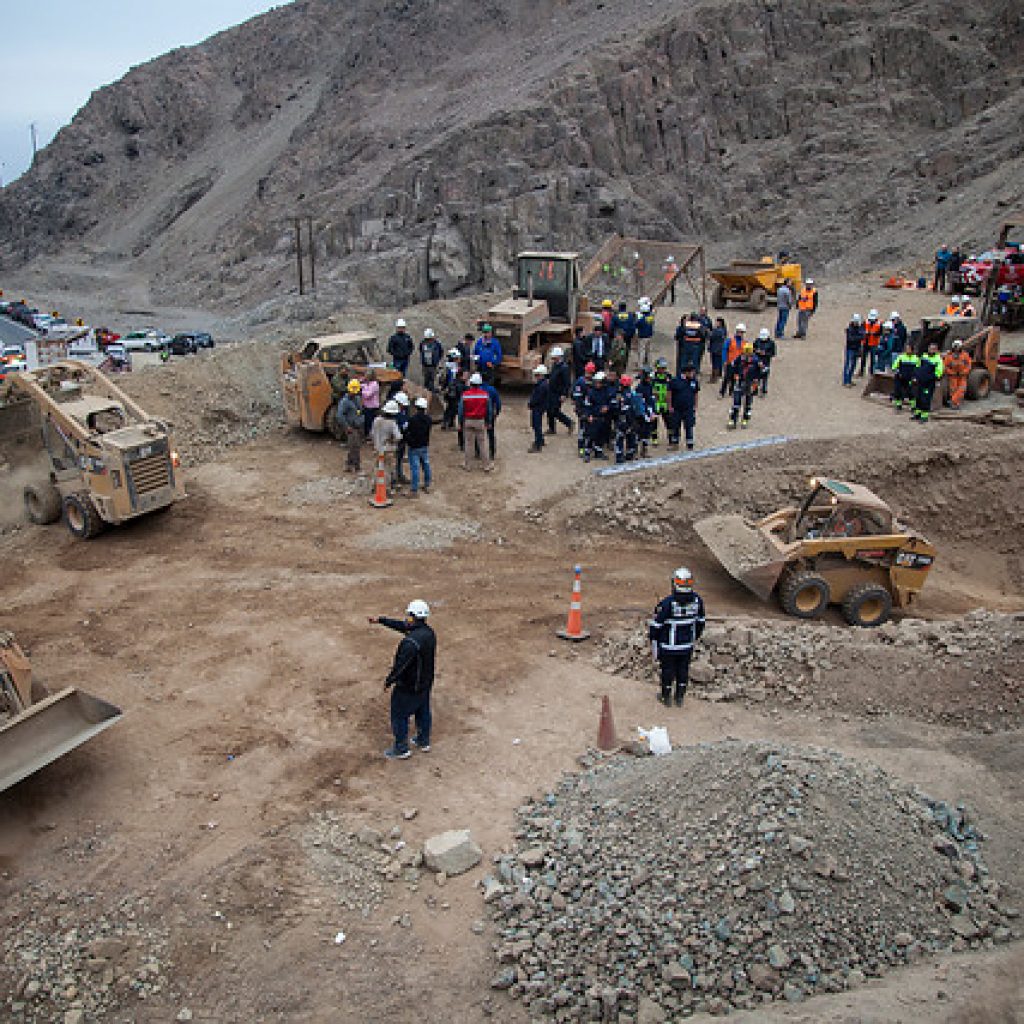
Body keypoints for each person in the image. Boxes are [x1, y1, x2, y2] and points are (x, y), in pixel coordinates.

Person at [370, 600, 436, 760]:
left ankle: (401, 748)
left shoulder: (410, 643)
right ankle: (423, 740)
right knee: (423, 711)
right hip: (425, 683)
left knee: (399, 715)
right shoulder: (429, 633)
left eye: (409, 615)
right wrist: (381, 620)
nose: (406, 618)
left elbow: (401, 665)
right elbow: (403, 626)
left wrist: (389, 681)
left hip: (408, 687)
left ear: (413, 617)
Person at [649, 566, 706, 707]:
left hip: (669, 645)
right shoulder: (697, 601)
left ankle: (666, 696)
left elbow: (656, 625)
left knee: (667, 670)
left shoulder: (668, 603)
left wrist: (654, 640)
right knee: (683, 670)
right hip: (687, 645)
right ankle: (679, 697)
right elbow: (700, 622)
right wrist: (694, 638)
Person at [459, 372, 493, 471]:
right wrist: (488, 422)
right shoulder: (485, 395)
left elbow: (461, 411)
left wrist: (460, 423)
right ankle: (486, 465)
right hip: (480, 421)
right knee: (482, 444)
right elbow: (489, 410)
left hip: (468, 420)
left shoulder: (465, 395)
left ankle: (467, 465)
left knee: (469, 444)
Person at [724, 341, 761, 428]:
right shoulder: (740, 358)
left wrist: (756, 381)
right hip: (740, 382)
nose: (747, 356)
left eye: (749, 354)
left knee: (748, 403)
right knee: (736, 403)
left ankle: (745, 419)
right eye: (746, 353)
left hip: (750, 383)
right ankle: (732, 420)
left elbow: (760, 372)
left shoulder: (756, 361)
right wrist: (734, 375)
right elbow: (733, 367)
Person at [583, 370, 614, 462]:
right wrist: (589, 416)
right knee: (591, 436)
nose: (597, 384)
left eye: (599, 382)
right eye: (596, 382)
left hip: (604, 418)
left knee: (601, 436)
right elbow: (587, 405)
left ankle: (598, 452)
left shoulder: (607, 391)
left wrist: (608, 407)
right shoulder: (591, 392)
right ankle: (587, 453)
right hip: (594, 417)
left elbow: (612, 402)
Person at [371, 399, 403, 486]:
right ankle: (386, 487)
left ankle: (375, 484)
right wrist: (392, 440)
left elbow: (372, 433)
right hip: (388, 449)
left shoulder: (376, 420)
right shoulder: (392, 423)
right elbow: (398, 437)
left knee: (378, 466)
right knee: (388, 468)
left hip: (377, 448)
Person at [405, 396, 433, 497]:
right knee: (426, 465)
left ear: (416, 407)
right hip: (424, 445)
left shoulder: (412, 420)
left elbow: (408, 431)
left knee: (415, 468)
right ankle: (427, 484)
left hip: (414, 446)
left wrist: (408, 439)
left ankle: (414, 490)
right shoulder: (428, 420)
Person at [668, 363, 700, 449]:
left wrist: (695, 405)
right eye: (691, 372)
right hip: (677, 408)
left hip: (689, 408)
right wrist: (670, 406)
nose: (693, 374)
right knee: (675, 425)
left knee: (689, 425)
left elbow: (696, 393)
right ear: (686, 373)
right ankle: (675, 443)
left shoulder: (694, 381)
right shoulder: (675, 381)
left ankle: (689, 443)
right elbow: (669, 394)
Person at [613, 374, 643, 463]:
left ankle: (623, 455)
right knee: (627, 437)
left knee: (624, 437)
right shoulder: (625, 394)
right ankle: (627, 454)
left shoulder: (624, 394)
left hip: (626, 419)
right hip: (626, 419)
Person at [912, 342, 944, 422]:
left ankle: (924, 416)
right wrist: (915, 376)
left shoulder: (938, 360)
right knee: (918, 398)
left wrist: (930, 378)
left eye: (933, 349)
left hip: (928, 383)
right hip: (920, 381)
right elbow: (918, 366)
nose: (931, 350)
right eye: (930, 348)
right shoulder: (924, 356)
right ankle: (917, 414)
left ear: (936, 350)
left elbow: (939, 372)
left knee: (925, 399)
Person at [337, 378, 364, 472]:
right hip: (351, 427)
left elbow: (360, 411)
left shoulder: (357, 399)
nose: (355, 393)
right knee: (354, 446)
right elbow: (340, 416)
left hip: (358, 426)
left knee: (356, 446)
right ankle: (354, 466)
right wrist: (347, 427)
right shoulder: (344, 402)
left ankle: (351, 464)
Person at [546, 347, 573, 435]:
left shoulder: (564, 368)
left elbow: (567, 383)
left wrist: (564, 394)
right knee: (549, 410)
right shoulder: (555, 365)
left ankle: (569, 423)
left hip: (558, 393)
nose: (553, 358)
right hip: (551, 391)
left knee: (555, 411)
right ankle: (551, 428)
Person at [571, 361, 595, 457]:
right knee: (582, 431)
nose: (589, 374)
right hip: (582, 410)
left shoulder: (593, 381)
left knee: (590, 431)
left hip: (590, 410)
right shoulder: (580, 382)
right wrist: (579, 410)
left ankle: (588, 448)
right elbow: (576, 396)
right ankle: (581, 450)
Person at [890, 342, 919, 412]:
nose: (907, 350)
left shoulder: (916, 359)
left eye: (909, 349)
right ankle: (898, 405)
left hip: (910, 378)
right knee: (898, 391)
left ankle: (913, 406)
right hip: (900, 376)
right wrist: (897, 372)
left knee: (911, 392)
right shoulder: (901, 357)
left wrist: (915, 377)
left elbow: (918, 369)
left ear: (912, 350)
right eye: (906, 349)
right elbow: (894, 366)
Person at [943, 339, 971, 410]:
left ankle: (953, 401)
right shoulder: (949, 356)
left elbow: (968, 365)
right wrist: (951, 372)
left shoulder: (965, 355)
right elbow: (945, 366)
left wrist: (963, 372)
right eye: (955, 347)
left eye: (958, 347)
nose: (956, 348)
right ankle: (955, 403)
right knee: (953, 390)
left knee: (961, 389)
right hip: (953, 376)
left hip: (962, 376)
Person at [528, 364, 550, 453]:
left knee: (536, 425)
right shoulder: (543, 384)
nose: (536, 377)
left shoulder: (541, 386)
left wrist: (531, 404)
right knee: (537, 425)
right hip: (540, 407)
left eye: (537, 375)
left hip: (537, 407)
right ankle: (540, 440)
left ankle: (538, 445)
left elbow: (537, 398)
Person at [675, 312, 706, 376]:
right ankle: (693, 375)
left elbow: (680, 333)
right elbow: (703, 335)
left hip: (686, 346)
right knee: (694, 362)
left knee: (684, 361)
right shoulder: (699, 326)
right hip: (695, 346)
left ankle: (682, 374)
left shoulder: (686, 325)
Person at [651, 357, 672, 447]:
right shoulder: (653, 377)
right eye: (660, 368)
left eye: (664, 368)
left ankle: (671, 438)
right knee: (654, 422)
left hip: (665, 402)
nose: (662, 370)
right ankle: (654, 438)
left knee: (669, 421)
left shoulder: (669, 377)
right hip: (656, 402)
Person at [635, 366, 656, 457]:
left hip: (649, 412)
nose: (650, 379)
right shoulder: (640, 388)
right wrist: (645, 414)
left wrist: (653, 412)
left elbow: (652, 400)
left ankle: (644, 450)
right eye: (648, 377)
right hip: (642, 414)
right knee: (639, 432)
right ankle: (635, 451)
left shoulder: (650, 386)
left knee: (647, 433)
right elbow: (640, 403)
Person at [393, 391, 411, 486]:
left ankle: (399, 474)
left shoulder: (404, 410)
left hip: (403, 438)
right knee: (394, 459)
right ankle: (394, 477)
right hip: (396, 439)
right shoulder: (393, 412)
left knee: (399, 458)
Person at [482, 376, 502, 459]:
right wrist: (497, 412)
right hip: (490, 415)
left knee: (477, 433)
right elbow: (498, 403)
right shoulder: (492, 389)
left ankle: (477, 451)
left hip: (479, 414)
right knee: (490, 433)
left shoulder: (478, 389)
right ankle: (492, 452)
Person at [753, 328, 777, 397]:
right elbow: (753, 349)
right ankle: (755, 390)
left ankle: (764, 390)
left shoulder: (771, 343)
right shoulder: (757, 341)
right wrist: (757, 351)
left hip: (766, 362)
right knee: (756, 376)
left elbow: (773, 353)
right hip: (757, 361)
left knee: (764, 377)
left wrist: (765, 353)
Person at [441, 349, 461, 429]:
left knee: (451, 407)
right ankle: (448, 423)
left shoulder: (450, 367)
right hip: (452, 390)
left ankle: (449, 422)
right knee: (452, 407)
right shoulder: (451, 368)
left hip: (450, 390)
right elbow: (450, 381)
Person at [842, 314, 864, 387]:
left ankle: (849, 379)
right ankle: (846, 381)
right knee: (848, 365)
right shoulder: (850, 329)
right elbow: (851, 339)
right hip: (850, 349)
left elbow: (862, 335)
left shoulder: (859, 328)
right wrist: (859, 337)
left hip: (856, 348)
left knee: (853, 365)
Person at [418, 328, 444, 392]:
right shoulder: (423, 343)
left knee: (432, 380)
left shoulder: (437, 344)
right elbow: (421, 351)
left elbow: (441, 352)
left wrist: (437, 360)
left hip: (433, 365)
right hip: (425, 365)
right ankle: (426, 392)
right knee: (426, 379)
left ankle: (432, 392)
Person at [361, 368, 381, 437]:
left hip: (372, 407)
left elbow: (368, 395)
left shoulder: (374, 385)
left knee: (370, 422)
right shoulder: (367, 383)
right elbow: (364, 386)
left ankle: (369, 436)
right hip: (366, 406)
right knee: (366, 421)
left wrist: (361, 391)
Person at [636, 299, 655, 365]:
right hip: (649, 336)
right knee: (648, 351)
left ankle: (640, 365)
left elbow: (637, 325)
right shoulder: (651, 318)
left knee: (642, 351)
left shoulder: (642, 319)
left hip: (642, 336)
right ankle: (649, 364)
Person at [708, 317, 727, 383]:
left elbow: (711, 336)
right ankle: (716, 376)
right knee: (717, 363)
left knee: (715, 363)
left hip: (715, 349)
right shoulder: (723, 330)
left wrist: (708, 332)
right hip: (719, 349)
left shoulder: (718, 331)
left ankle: (714, 378)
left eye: (717, 322)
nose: (716, 323)